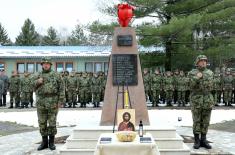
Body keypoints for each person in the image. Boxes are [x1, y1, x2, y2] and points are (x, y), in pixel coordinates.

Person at [34, 57, 65, 151]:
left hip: (53, 101)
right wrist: (37, 82)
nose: (46, 65)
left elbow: (62, 88)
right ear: (42, 65)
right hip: (41, 102)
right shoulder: (37, 74)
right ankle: (44, 142)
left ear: (50, 65)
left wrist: (60, 101)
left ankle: (51, 142)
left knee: (52, 122)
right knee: (42, 122)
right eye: (44, 63)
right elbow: (29, 86)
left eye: (48, 64)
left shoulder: (56, 75)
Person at [188, 55, 214, 149]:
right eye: (201, 61)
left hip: (207, 99)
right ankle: (197, 140)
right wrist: (197, 78)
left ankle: (204, 139)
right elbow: (189, 86)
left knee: (206, 121)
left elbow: (212, 87)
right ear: (197, 62)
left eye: (205, 61)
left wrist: (212, 99)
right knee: (197, 120)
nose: (203, 62)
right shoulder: (192, 73)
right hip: (196, 100)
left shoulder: (210, 73)